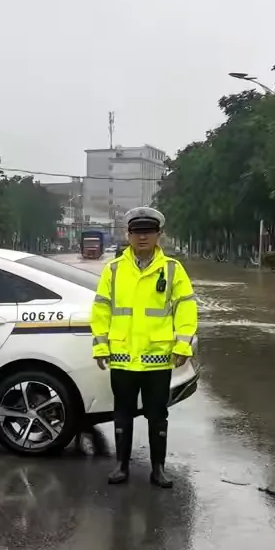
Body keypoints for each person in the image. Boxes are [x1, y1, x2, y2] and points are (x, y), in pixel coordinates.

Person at [90, 207, 198, 488]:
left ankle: (158, 469)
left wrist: (183, 345)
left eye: (148, 232)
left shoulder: (172, 269)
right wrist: (101, 347)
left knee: (157, 415)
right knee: (122, 413)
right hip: (123, 358)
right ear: (128, 234)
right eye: (137, 232)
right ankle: (121, 466)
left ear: (159, 235)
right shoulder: (113, 270)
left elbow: (186, 308)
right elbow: (101, 310)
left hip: (158, 359)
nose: (142, 237)